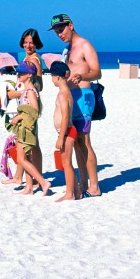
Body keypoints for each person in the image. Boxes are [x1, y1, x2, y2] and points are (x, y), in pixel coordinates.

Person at [48, 13, 101, 197]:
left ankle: (94, 186)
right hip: (73, 95)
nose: (59, 34)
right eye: (56, 32)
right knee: (76, 141)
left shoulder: (85, 45)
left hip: (84, 96)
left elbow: (97, 72)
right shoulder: (68, 49)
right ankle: (83, 182)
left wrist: (82, 76)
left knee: (84, 141)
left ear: (70, 25)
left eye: (61, 29)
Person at [0, 61, 51, 197]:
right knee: (26, 157)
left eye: (21, 72)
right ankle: (29, 187)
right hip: (24, 128)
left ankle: (43, 182)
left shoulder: (30, 91)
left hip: (27, 129)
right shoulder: (27, 90)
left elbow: (34, 110)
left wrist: (19, 117)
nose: (18, 74)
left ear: (29, 74)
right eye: (18, 72)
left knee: (21, 159)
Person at [48, 60, 80, 202]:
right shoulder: (66, 91)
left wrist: (61, 137)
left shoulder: (62, 95)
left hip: (66, 132)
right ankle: (75, 191)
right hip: (67, 131)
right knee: (67, 163)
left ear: (58, 77)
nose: (52, 79)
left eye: (52, 76)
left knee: (66, 163)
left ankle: (70, 194)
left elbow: (66, 115)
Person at [18, 28, 45, 184]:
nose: (28, 45)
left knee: (29, 142)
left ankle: (35, 178)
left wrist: (19, 92)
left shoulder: (33, 59)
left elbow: (39, 85)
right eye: (26, 42)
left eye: (31, 43)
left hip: (30, 103)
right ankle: (27, 177)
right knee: (32, 142)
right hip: (27, 100)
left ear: (36, 44)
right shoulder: (28, 57)